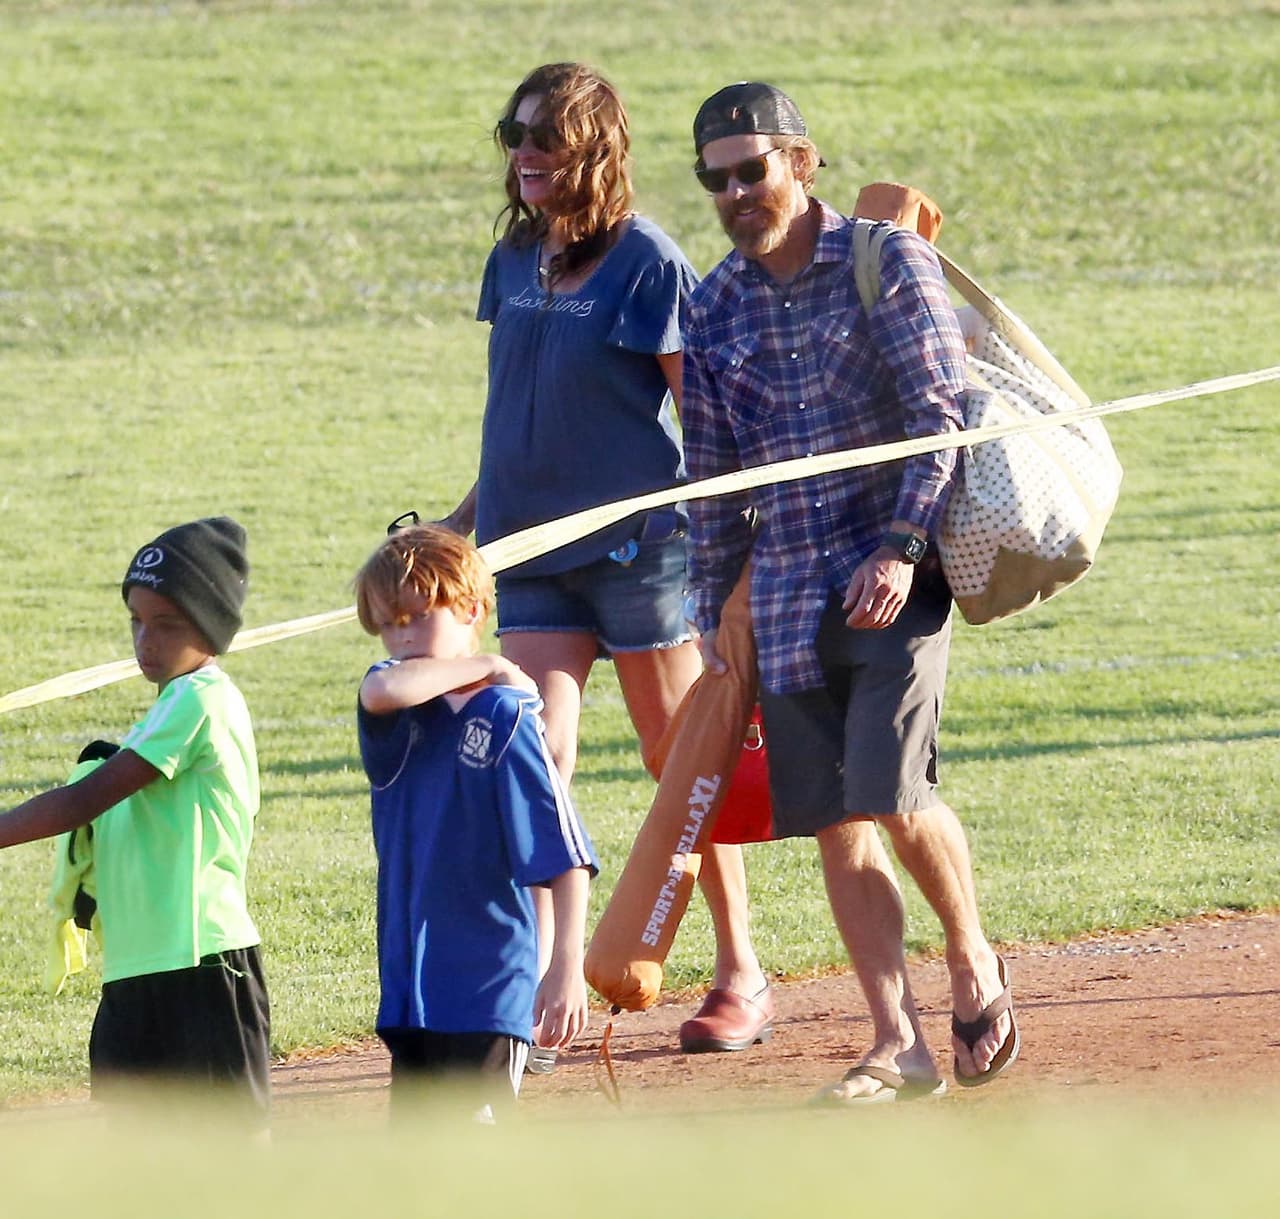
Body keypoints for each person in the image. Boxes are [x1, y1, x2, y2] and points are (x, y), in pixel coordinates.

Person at [681, 82, 1020, 1102]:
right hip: (784, 598)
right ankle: (895, 1041)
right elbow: (709, 479)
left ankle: (971, 956)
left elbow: (936, 414)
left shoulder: (881, 258)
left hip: (887, 576)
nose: (736, 191)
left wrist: (901, 548)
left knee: (889, 788)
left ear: (800, 161)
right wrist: (710, 615)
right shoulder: (710, 306)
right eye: (716, 178)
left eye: (752, 168)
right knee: (835, 816)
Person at [438, 62, 770, 1055]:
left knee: (683, 764)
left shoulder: (645, 260)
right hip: (529, 553)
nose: (524, 155)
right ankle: (544, 989)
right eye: (514, 134)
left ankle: (740, 970)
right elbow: (516, 420)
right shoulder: (513, 258)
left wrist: (729, 548)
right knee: (535, 762)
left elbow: (702, 419)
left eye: (544, 137)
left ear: (590, 149)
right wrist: (456, 523)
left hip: (640, 557)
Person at [0, 517, 271, 1121]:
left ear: (212, 627)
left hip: (203, 964)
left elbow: (81, 802)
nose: (146, 641)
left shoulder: (203, 699)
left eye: (167, 623)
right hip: (134, 970)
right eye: (137, 621)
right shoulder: (169, 706)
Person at [353, 523, 599, 1117]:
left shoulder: (507, 718)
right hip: (411, 990)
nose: (401, 635)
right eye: (389, 622)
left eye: (416, 615)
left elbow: (563, 855)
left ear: (471, 607)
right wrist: (487, 661)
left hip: (489, 986)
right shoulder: (397, 712)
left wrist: (566, 966)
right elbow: (383, 687)